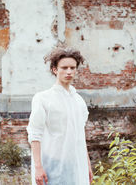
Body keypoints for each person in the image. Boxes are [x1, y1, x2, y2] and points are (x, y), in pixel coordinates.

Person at [26, 47, 93, 185]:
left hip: (75, 166)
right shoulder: (43, 98)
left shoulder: (79, 101)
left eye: (72, 68)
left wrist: (87, 165)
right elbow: (34, 134)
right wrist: (38, 167)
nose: (69, 72)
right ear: (54, 69)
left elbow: (80, 136)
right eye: (64, 67)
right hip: (51, 165)